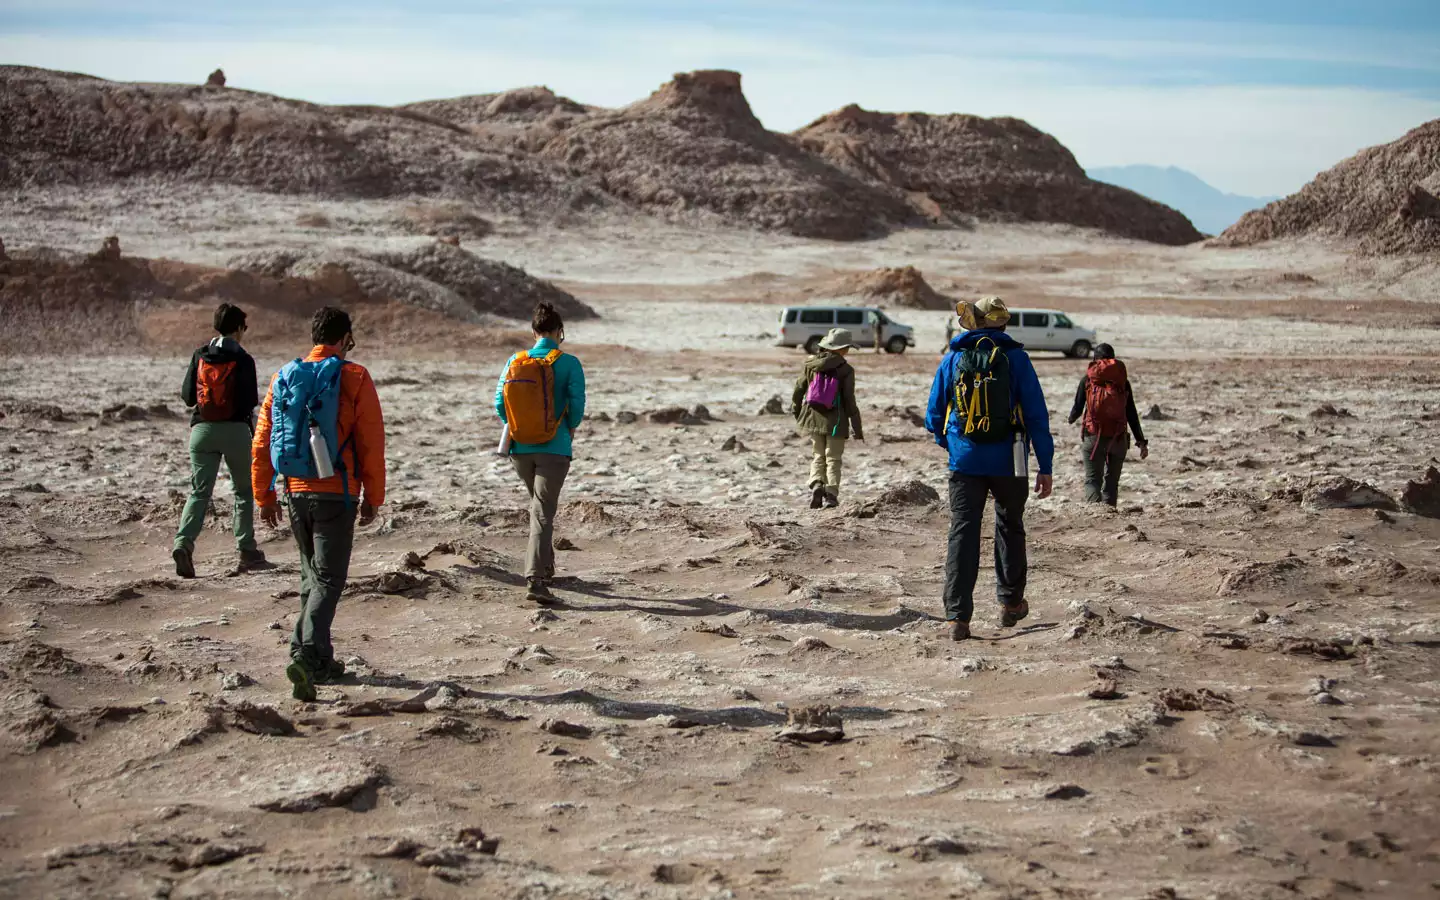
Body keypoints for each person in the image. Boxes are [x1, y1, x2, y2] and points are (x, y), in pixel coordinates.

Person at [252, 307, 386, 701]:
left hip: (294, 491)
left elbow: (262, 442)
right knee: (329, 580)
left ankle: (318, 657)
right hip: (336, 491)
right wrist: (373, 497)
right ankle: (307, 656)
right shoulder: (355, 377)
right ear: (345, 338)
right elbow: (370, 443)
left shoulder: (283, 376)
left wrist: (265, 494)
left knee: (311, 577)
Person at [925, 296, 1054, 641]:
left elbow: (933, 413)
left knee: (963, 531)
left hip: (964, 459)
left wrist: (950, 443)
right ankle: (1010, 604)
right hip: (1010, 459)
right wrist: (1045, 464)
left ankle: (957, 618)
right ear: (1003, 324)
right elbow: (1037, 416)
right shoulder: (1017, 359)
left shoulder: (953, 358)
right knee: (1010, 525)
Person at [495, 301, 586, 606]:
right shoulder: (569, 363)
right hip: (555, 448)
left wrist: (520, 427)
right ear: (560, 331)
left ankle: (546, 569)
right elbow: (577, 407)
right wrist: (568, 430)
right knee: (542, 513)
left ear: (533, 331)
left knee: (538, 508)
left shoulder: (514, 360)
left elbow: (499, 404)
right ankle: (535, 579)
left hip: (520, 449)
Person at [173, 302, 263, 578]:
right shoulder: (244, 359)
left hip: (202, 432)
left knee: (199, 492)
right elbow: (250, 401)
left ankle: (183, 544)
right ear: (238, 328)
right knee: (243, 492)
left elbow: (188, 396)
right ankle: (246, 550)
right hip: (235, 431)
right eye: (244, 328)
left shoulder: (199, 354)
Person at [1068, 342, 1148, 507]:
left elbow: (1077, 408)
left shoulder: (1087, 380)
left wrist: (1071, 418)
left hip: (1093, 436)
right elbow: (1131, 413)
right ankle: (1109, 515)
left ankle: (1095, 515)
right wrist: (1141, 441)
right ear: (1113, 359)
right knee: (1111, 482)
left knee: (1092, 480)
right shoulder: (1122, 383)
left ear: (1095, 359)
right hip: (1118, 438)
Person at [792, 327, 864, 509]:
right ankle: (831, 494)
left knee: (818, 455)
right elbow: (849, 400)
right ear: (842, 349)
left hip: (812, 417)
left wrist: (797, 412)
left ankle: (816, 484)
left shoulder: (810, 364)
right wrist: (856, 426)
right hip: (836, 421)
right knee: (833, 458)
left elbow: (798, 390)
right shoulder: (846, 369)